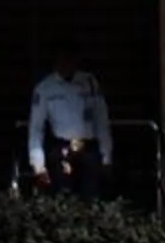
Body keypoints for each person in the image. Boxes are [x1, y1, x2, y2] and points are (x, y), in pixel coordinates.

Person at [27, 41, 112, 200]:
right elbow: (36, 129)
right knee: (63, 196)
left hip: (88, 148)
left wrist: (106, 156)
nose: (66, 63)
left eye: (70, 58)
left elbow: (101, 121)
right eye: (62, 59)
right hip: (61, 149)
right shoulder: (45, 88)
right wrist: (38, 165)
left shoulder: (89, 82)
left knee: (92, 197)